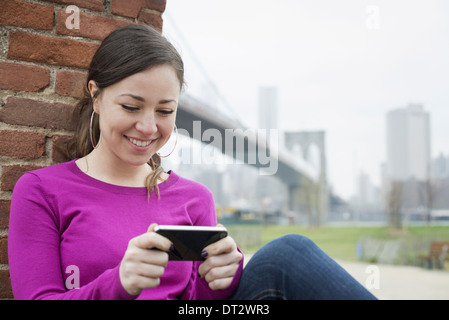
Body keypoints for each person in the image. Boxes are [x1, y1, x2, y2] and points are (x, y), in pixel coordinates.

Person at [8, 24, 376, 300]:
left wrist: (223, 278)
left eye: (165, 110)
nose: (148, 126)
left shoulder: (194, 198)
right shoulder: (43, 191)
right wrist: (117, 284)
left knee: (287, 254)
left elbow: (197, 302)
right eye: (131, 106)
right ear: (97, 96)